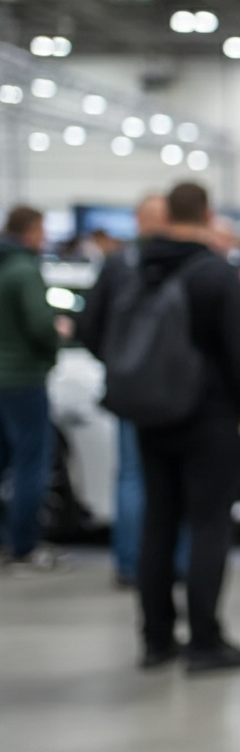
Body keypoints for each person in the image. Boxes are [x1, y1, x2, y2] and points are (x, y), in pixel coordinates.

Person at [85, 182, 240, 671]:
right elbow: (239, 351)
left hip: (149, 414)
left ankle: (155, 638)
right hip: (210, 416)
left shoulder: (128, 267)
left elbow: (92, 331)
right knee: (208, 525)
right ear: (206, 213)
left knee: (157, 524)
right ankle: (205, 642)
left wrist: (136, 375)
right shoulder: (213, 273)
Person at [78, 194, 171, 587]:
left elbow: (88, 327)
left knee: (131, 477)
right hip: (175, 390)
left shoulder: (116, 265)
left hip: (129, 390)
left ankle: (130, 564)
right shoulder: (185, 264)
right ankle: (170, 565)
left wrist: (117, 362)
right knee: (173, 482)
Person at [0, 206, 64, 572]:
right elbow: (41, 324)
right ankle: (23, 546)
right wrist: (53, 347)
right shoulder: (24, 269)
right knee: (31, 463)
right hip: (22, 378)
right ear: (30, 229)